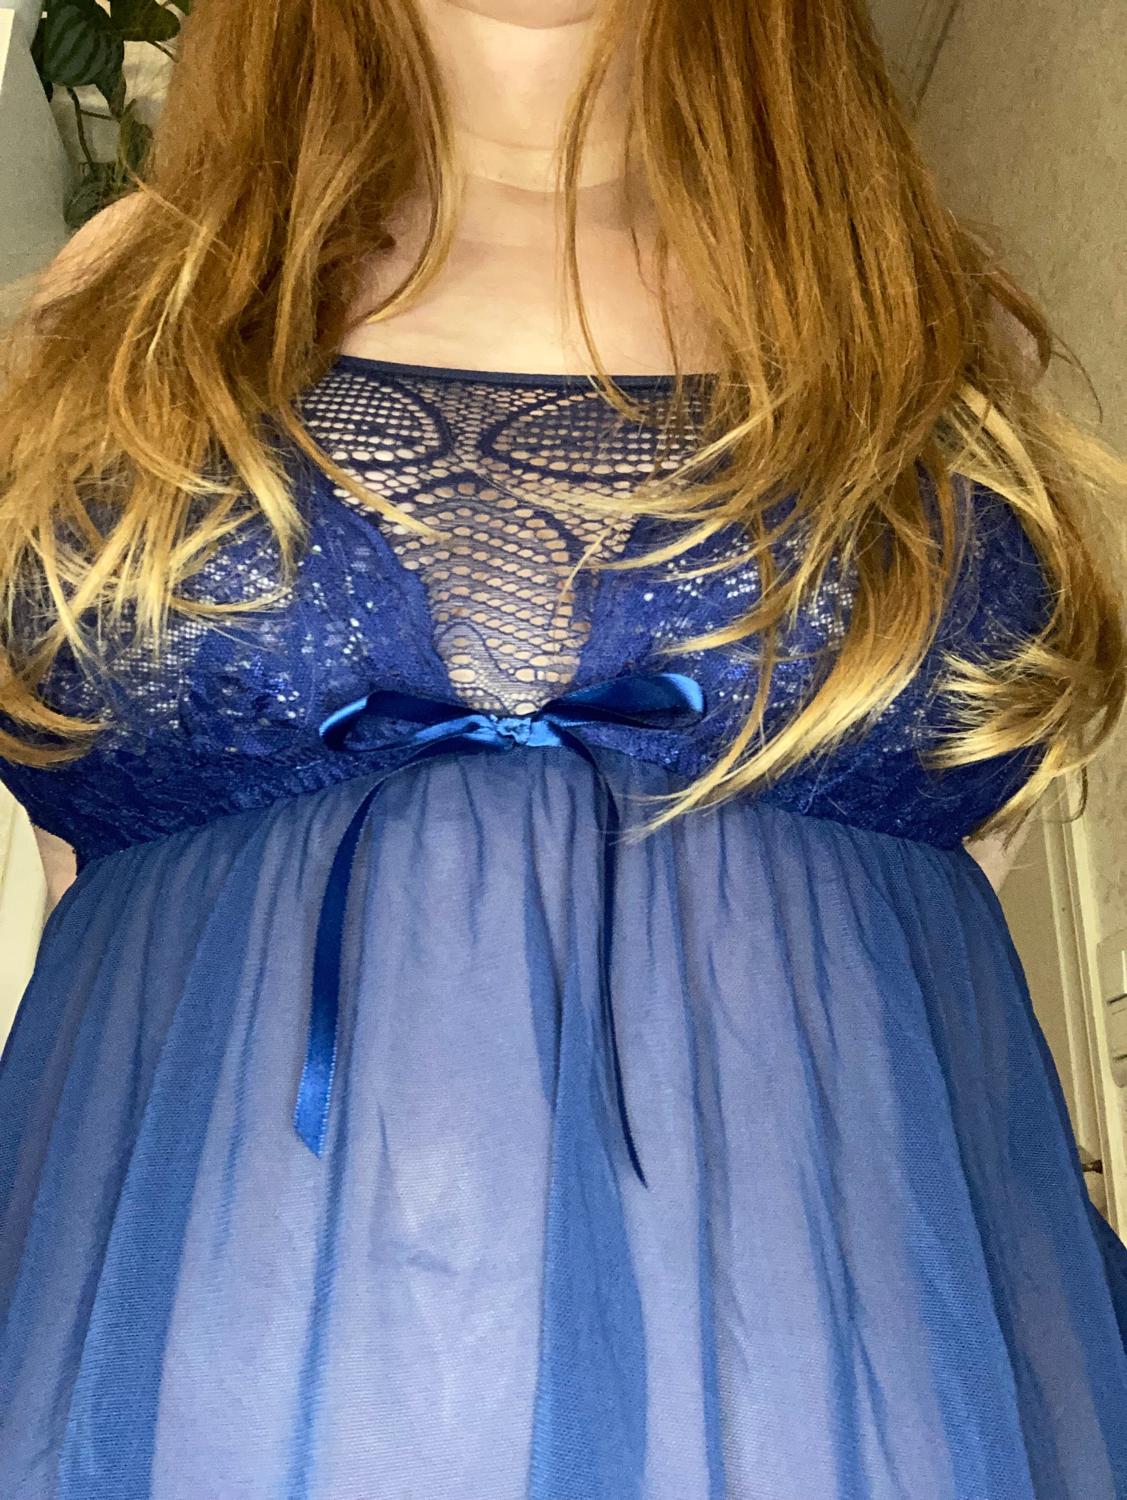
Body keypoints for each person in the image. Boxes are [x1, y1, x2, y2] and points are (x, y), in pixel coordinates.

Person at [1, 0, 1125, 1495]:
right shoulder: (129, 303)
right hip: (228, 1386)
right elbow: (90, 908)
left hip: (816, 1386)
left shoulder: (910, 314)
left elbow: (934, 983)